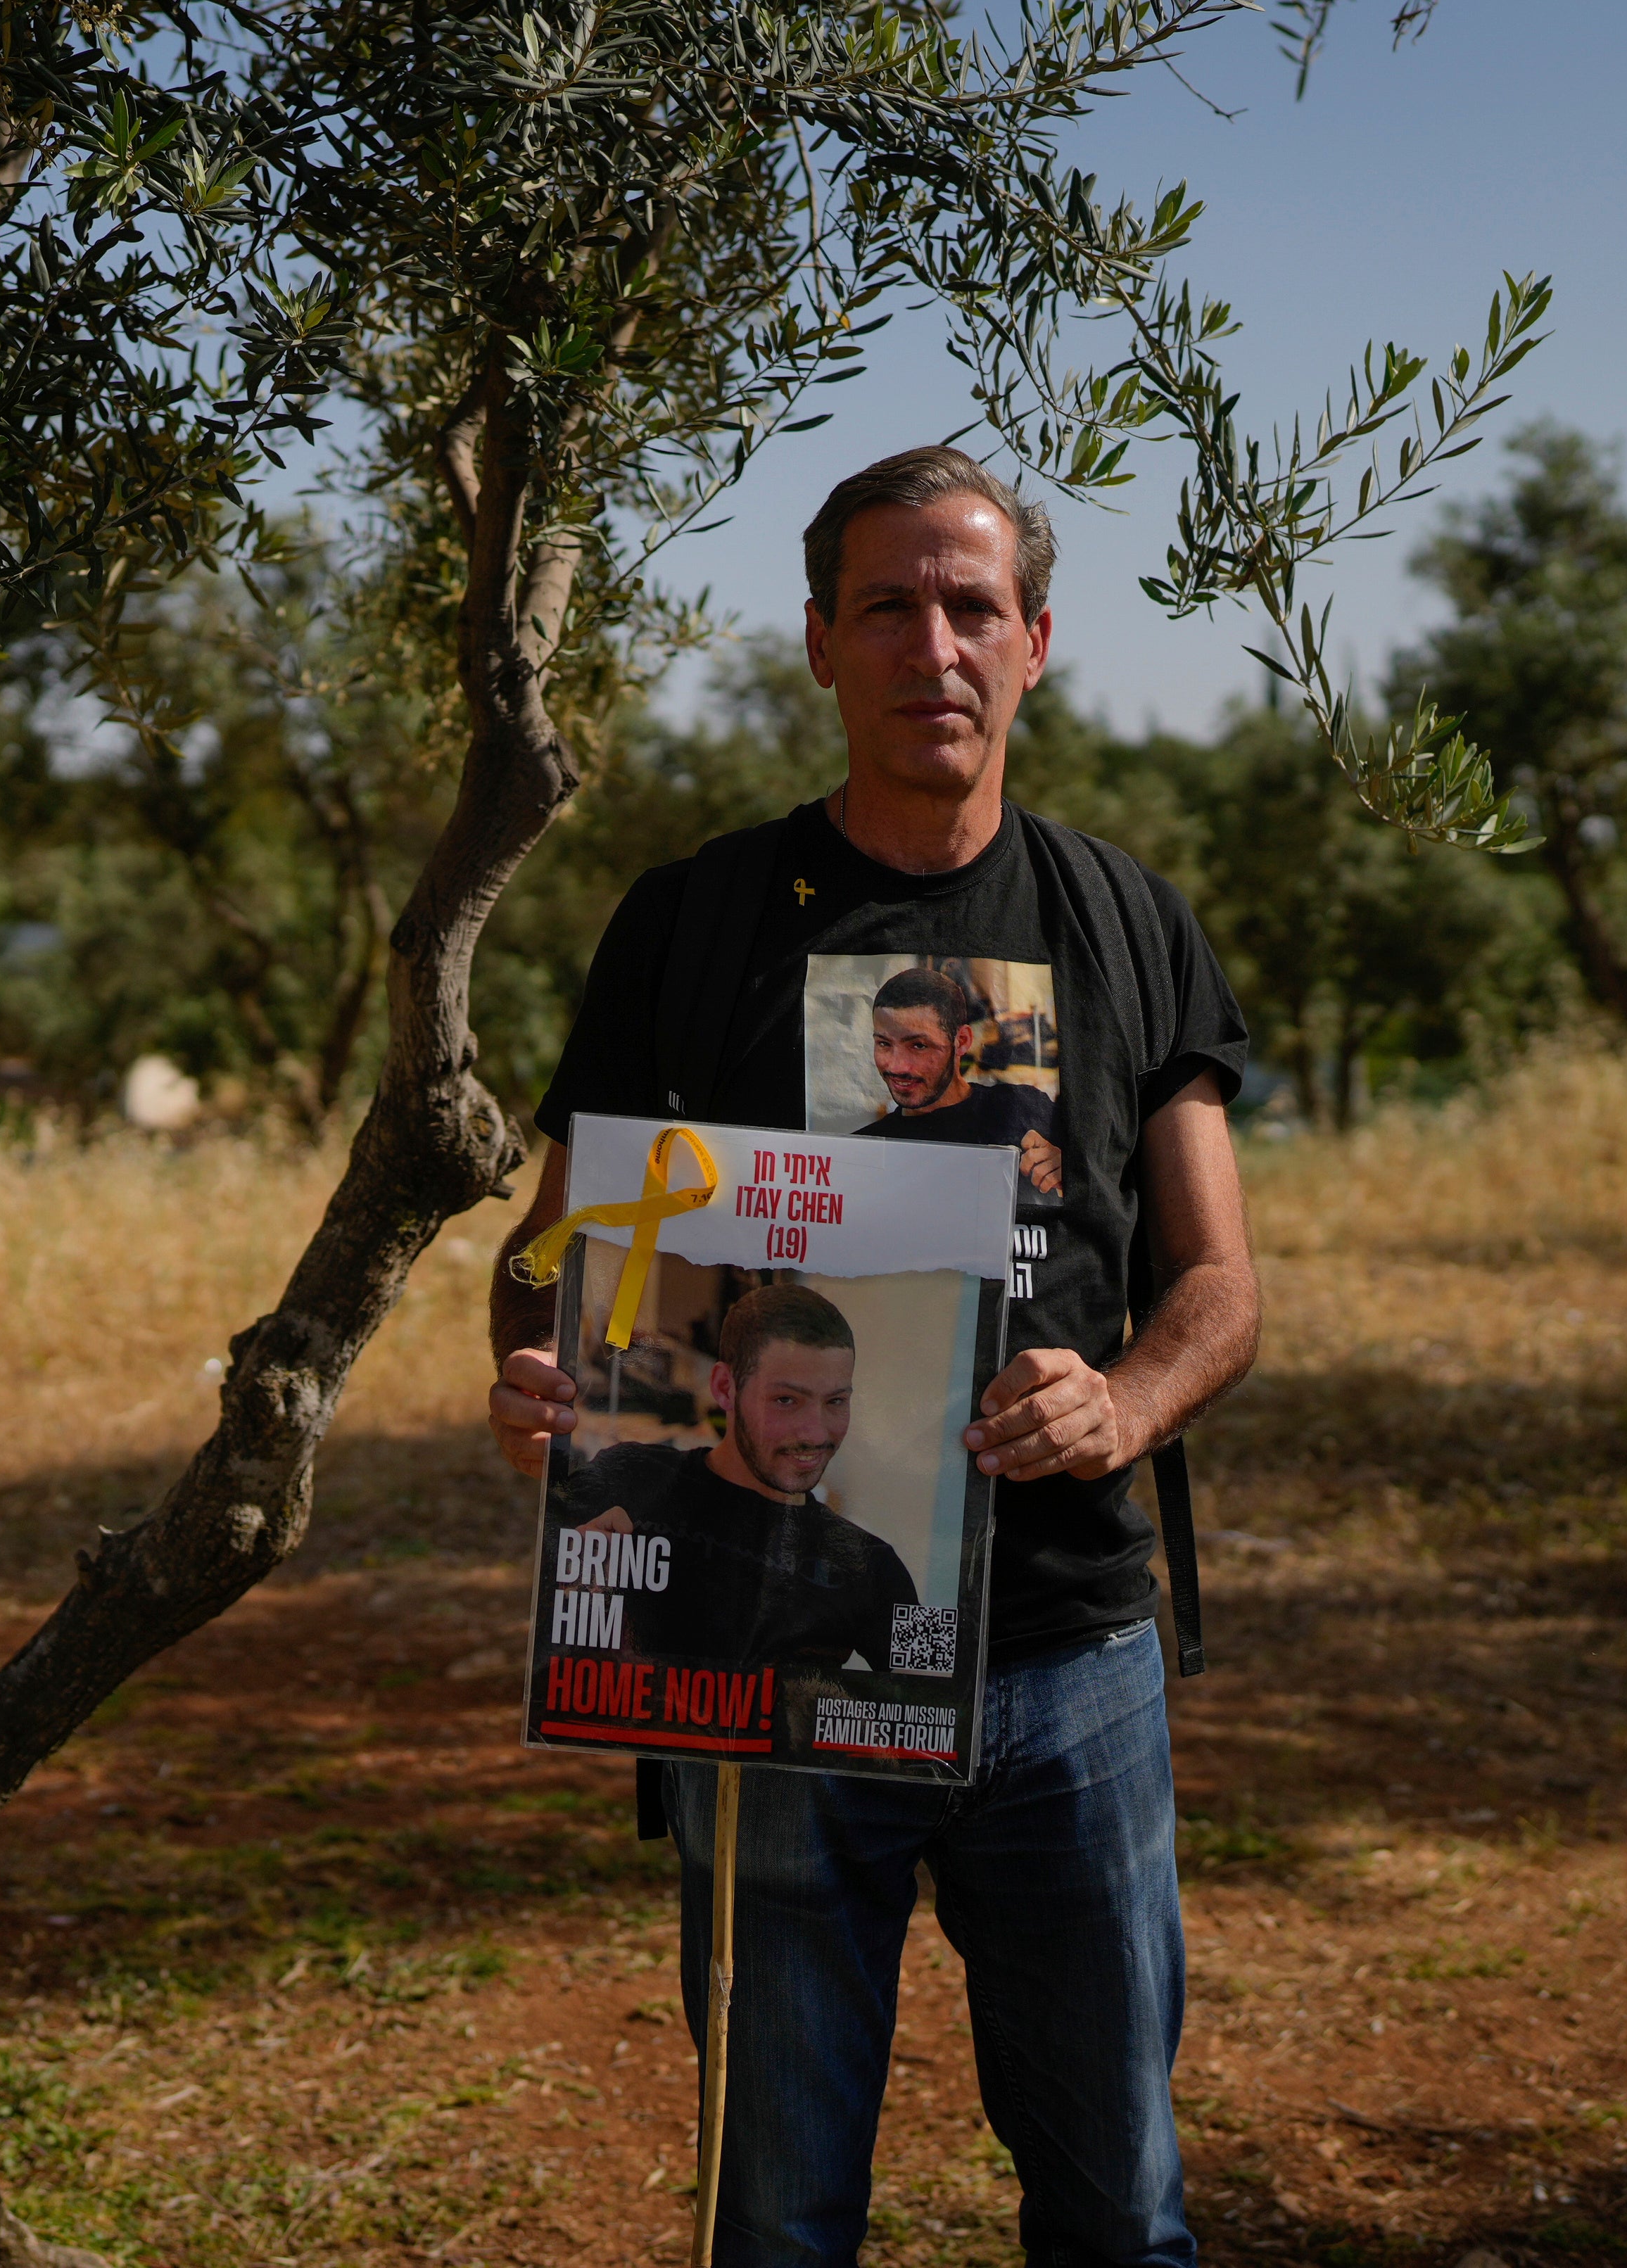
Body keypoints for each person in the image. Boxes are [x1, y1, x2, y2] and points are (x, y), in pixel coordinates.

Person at [488, 443, 1259, 2268]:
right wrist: (537, 1368)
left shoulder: (1128, 920)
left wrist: (1126, 1397)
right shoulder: (694, 919)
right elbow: (552, 1245)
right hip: (767, 1685)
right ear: (819, 641)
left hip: (1069, 1654)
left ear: (1038, 641)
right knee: (773, 2214)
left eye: (972, 604)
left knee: (1120, 2202)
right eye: (891, 604)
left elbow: (1217, 1277)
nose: (937, 641)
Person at [561, 1281, 916, 1668]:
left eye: (835, 1402)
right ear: (725, 1388)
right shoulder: (627, 1478)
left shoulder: (875, 1565)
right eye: (786, 1400)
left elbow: (942, 1702)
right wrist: (567, 1574)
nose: (816, 1433)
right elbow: (542, 1643)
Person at [856, 963, 1066, 1193]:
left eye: (918, 1045)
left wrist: (1068, 1168)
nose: (897, 1066)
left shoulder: (1022, 1107)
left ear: (963, 1041)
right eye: (884, 1044)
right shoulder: (862, 1149)